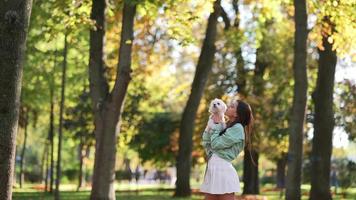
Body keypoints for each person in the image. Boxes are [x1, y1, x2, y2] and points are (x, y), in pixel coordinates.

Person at [200, 99, 254, 200]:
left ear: (237, 114)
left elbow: (215, 144)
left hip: (222, 170)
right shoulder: (226, 125)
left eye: (232, 106)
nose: (228, 106)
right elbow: (206, 143)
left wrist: (216, 125)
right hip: (213, 169)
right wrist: (209, 126)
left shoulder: (238, 128)